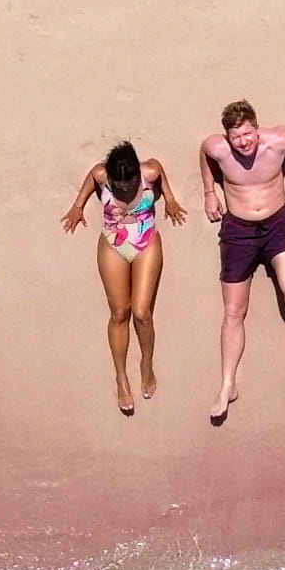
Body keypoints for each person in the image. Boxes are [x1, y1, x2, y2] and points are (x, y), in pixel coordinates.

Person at [200, 98, 285, 425]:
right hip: (238, 231)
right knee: (233, 311)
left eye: (248, 134)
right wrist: (210, 190)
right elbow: (205, 153)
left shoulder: (278, 140)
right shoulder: (218, 149)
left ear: (257, 127)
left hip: (277, 225)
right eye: (236, 137)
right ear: (227, 136)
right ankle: (227, 384)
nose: (244, 142)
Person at [61, 140, 187, 415]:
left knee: (141, 312)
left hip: (146, 243)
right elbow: (90, 180)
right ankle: (121, 377)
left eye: (130, 183)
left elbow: (161, 175)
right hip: (113, 244)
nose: (127, 189)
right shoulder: (102, 175)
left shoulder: (149, 172)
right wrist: (77, 205)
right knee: (120, 312)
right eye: (121, 185)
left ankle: (146, 363)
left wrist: (171, 199)